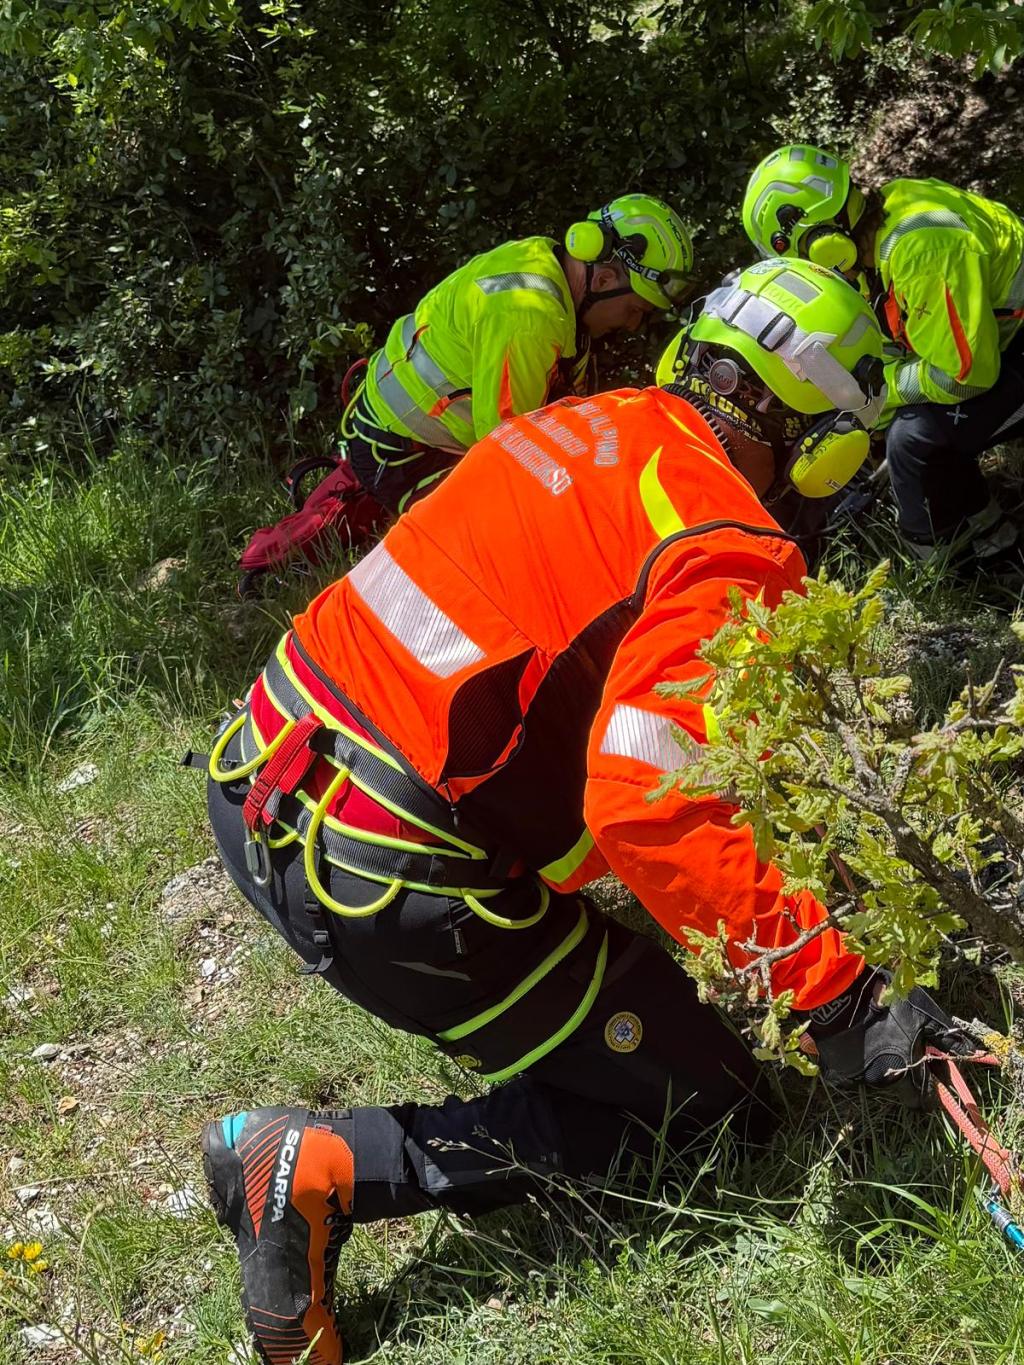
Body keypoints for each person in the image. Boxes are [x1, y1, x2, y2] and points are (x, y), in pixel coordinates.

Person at [197, 258, 972, 1365]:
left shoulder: (591, 419)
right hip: (380, 868)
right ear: (822, 440)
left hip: (262, 772)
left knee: (646, 1014)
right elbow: (643, 798)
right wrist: (836, 993)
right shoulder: (725, 540)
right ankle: (319, 1164)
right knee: (715, 1101)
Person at [237, 195, 693, 589]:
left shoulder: (541, 259)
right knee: (507, 548)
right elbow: (510, 457)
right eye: (635, 309)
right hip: (402, 452)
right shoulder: (530, 315)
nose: (632, 324)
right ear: (607, 279)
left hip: (394, 431)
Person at [741, 143, 1024, 568]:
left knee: (913, 439)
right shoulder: (882, 228)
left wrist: (876, 396)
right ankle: (988, 532)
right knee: (913, 422)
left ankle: (966, 569)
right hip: (1005, 340)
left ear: (821, 241)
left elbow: (964, 376)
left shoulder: (920, 246)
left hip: (1006, 349)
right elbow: (905, 340)